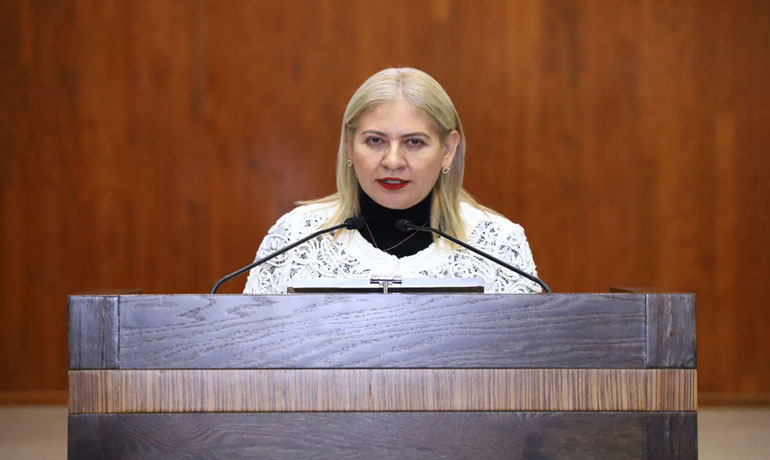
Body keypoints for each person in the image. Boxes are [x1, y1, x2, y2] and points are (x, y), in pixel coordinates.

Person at [243, 68, 541, 294]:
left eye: (414, 142)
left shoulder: (498, 246)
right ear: (349, 146)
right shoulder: (295, 239)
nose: (393, 161)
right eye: (375, 140)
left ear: (447, 150)